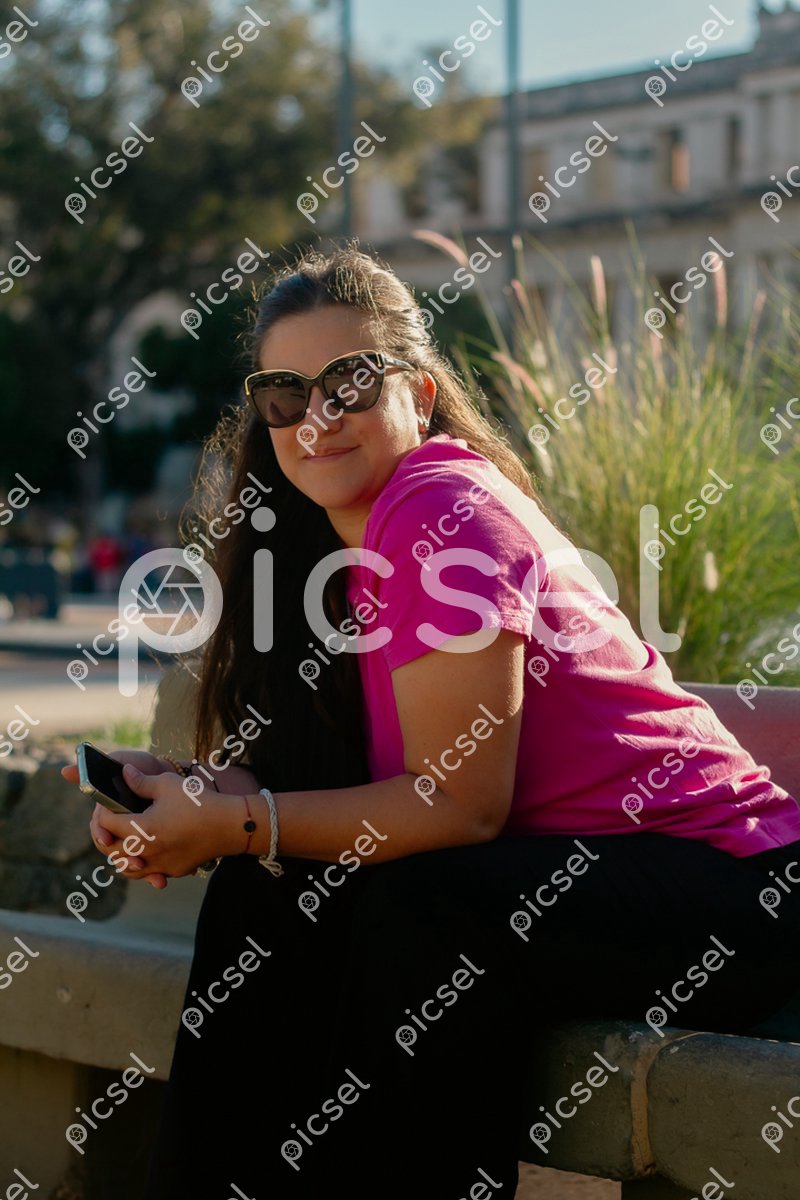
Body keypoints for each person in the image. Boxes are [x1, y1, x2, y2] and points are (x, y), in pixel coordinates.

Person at [63, 246, 800, 1199]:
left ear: (417, 392)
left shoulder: (440, 509)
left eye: (350, 383)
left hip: (739, 892)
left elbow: (459, 806)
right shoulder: (339, 556)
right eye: (285, 396)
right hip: (585, 882)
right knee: (268, 893)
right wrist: (203, 798)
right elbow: (354, 790)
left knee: (423, 909)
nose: (317, 418)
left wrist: (245, 823)